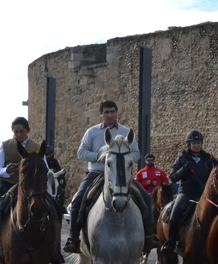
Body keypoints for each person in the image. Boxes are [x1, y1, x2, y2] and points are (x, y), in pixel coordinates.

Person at [63, 100, 155, 254]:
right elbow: (81, 152)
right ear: (101, 114)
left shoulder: (126, 132)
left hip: (122, 175)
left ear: (117, 113)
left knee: (145, 198)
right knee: (78, 199)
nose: (109, 115)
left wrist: (121, 159)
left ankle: (149, 236)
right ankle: (74, 238)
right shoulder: (92, 132)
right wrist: (99, 155)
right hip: (96, 173)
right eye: (106, 112)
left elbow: (136, 153)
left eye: (112, 112)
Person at [0, 117, 64, 264]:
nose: (18, 134)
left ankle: (54, 248)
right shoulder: (6, 146)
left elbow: (44, 168)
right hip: (6, 183)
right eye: (16, 131)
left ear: (28, 131)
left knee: (56, 208)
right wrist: (6, 170)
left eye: (22, 131)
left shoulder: (37, 147)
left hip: (31, 187)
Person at [162, 130, 215, 253]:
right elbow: (173, 177)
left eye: (198, 142)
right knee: (175, 213)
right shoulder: (182, 157)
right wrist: (184, 169)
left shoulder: (208, 159)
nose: (196, 145)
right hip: (186, 192)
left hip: (203, 193)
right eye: (193, 143)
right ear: (189, 144)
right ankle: (171, 242)